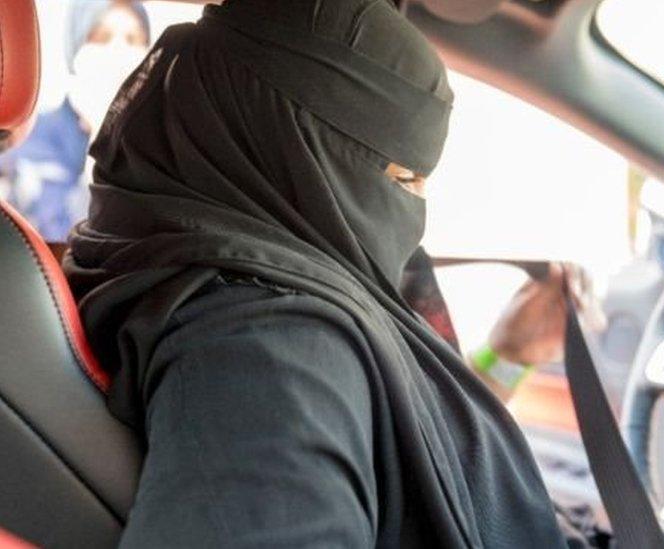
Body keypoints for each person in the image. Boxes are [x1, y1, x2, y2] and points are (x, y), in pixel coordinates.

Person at [65, 0, 605, 546]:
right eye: (405, 175)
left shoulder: (164, 264)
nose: (419, 202)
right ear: (299, 158)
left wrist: (507, 359)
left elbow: (410, 464)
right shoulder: (266, 345)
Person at [0, 0, 149, 241]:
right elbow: (58, 239)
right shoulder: (32, 141)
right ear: (76, 48)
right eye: (101, 37)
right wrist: (104, 133)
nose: (118, 51)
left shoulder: (157, 148)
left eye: (133, 39)